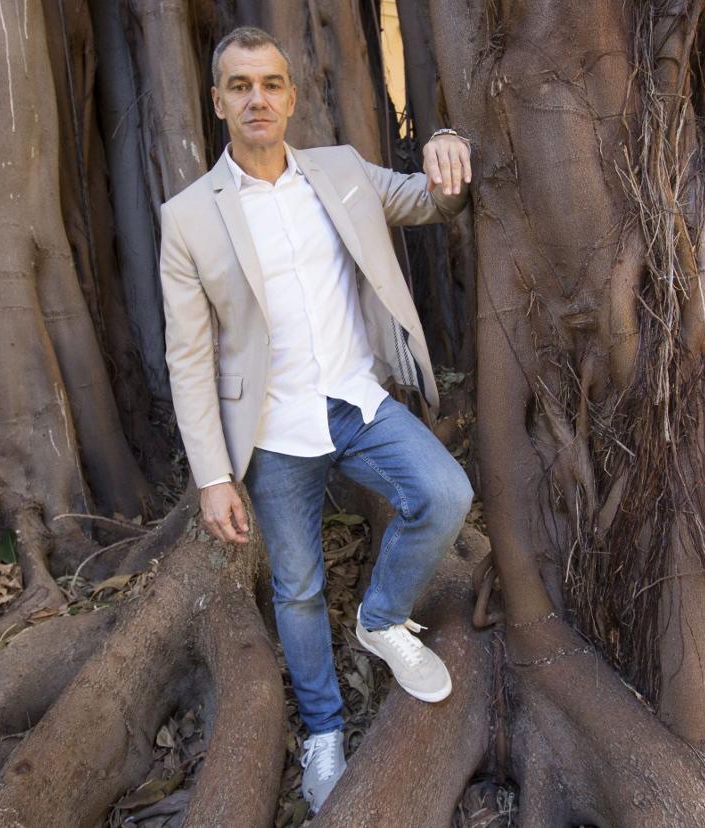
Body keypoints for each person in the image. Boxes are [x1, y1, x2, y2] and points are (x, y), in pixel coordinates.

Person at [158, 25, 474, 813]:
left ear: (291, 97)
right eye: (240, 86)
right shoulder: (189, 217)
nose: (257, 99)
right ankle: (325, 734)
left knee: (444, 494)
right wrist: (213, 478)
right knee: (295, 591)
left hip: (358, 403)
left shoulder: (338, 172)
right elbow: (189, 358)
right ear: (218, 102)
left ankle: (381, 619)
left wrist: (445, 143)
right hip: (271, 436)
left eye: (270, 83)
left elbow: (432, 202)